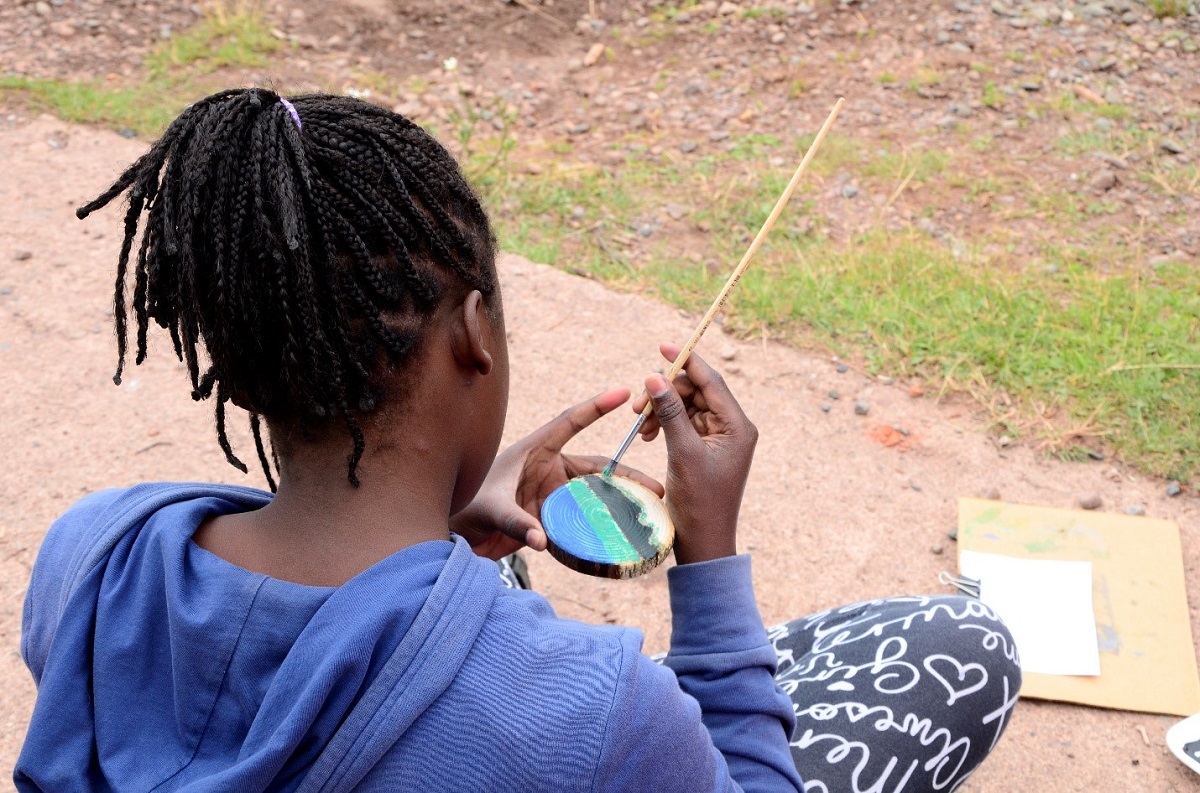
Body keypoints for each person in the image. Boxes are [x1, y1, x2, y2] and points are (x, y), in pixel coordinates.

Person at [16, 90, 1020, 792]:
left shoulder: (91, 553)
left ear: (231, 359)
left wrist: (449, 528)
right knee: (965, 646)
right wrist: (708, 559)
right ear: (475, 333)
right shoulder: (598, 717)